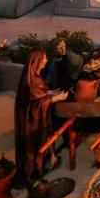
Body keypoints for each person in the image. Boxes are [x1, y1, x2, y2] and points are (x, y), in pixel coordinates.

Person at [13, 51, 68, 188]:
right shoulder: (34, 81)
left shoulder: (31, 78)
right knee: (36, 142)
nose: (45, 62)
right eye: (43, 60)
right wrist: (57, 98)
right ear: (36, 63)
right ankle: (37, 169)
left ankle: (47, 162)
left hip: (32, 118)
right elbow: (38, 103)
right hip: (33, 121)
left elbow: (38, 96)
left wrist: (49, 93)